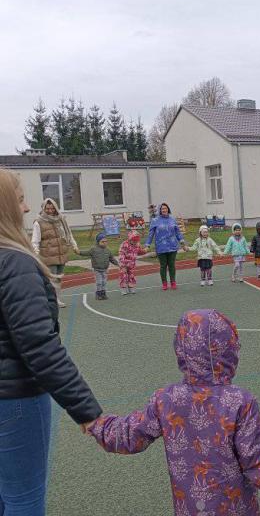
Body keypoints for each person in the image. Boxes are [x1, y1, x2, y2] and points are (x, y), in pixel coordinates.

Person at [86, 309, 260, 515]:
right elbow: (257, 461)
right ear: (230, 349)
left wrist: (95, 424)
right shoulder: (240, 401)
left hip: (190, 508)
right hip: (236, 508)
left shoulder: (166, 399)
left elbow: (129, 435)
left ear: (182, 350)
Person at [0, 168, 102, 515]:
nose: (27, 208)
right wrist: (86, 410)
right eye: (20, 200)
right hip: (15, 401)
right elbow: (39, 347)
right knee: (24, 500)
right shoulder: (14, 264)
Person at [31, 197, 79, 307]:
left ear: (55, 208)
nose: (50, 211)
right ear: (43, 208)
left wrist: (74, 245)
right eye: (47, 208)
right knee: (52, 279)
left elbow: (68, 233)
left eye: (52, 208)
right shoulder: (38, 222)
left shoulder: (61, 219)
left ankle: (56, 299)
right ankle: (53, 300)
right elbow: (35, 240)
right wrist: (36, 253)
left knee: (58, 278)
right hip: (47, 255)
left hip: (61, 253)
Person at [144, 202, 186, 291]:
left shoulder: (172, 219)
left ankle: (173, 282)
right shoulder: (155, 220)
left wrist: (182, 244)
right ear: (160, 210)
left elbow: (178, 232)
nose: (164, 210)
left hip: (172, 246)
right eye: (162, 209)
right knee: (163, 266)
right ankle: (164, 283)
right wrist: (147, 245)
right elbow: (151, 234)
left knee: (172, 265)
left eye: (166, 208)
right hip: (161, 247)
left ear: (168, 209)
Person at [78, 232, 119, 300]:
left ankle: (103, 293)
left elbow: (112, 258)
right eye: (102, 242)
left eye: (106, 241)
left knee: (104, 282)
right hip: (97, 269)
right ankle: (98, 294)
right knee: (99, 282)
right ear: (98, 242)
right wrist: (78, 252)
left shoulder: (107, 250)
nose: (105, 243)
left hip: (105, 269)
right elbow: (86, 253)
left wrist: (118, 264)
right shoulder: (94, 249)